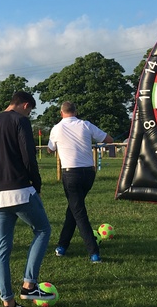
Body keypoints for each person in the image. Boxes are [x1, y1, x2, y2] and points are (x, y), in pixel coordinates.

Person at [0, 91, 56, 307]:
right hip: (21, 190)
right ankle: (29, 285)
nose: (29, 114)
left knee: (2, 247)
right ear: (24, 105)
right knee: (42, 230)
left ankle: (8, 304)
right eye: (30, 110)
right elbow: (28, 156)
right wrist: (37, 183)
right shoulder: (20, 121)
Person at [47, 101, 113, 262]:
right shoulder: (86, 125)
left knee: (79, 213)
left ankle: (93, 252)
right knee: (74, 209)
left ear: (61, 113)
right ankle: (62, 246)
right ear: (75, 112)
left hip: (70, 174)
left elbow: (50, 149)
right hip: (89, 174)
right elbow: (109, 139)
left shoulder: (56, 129)